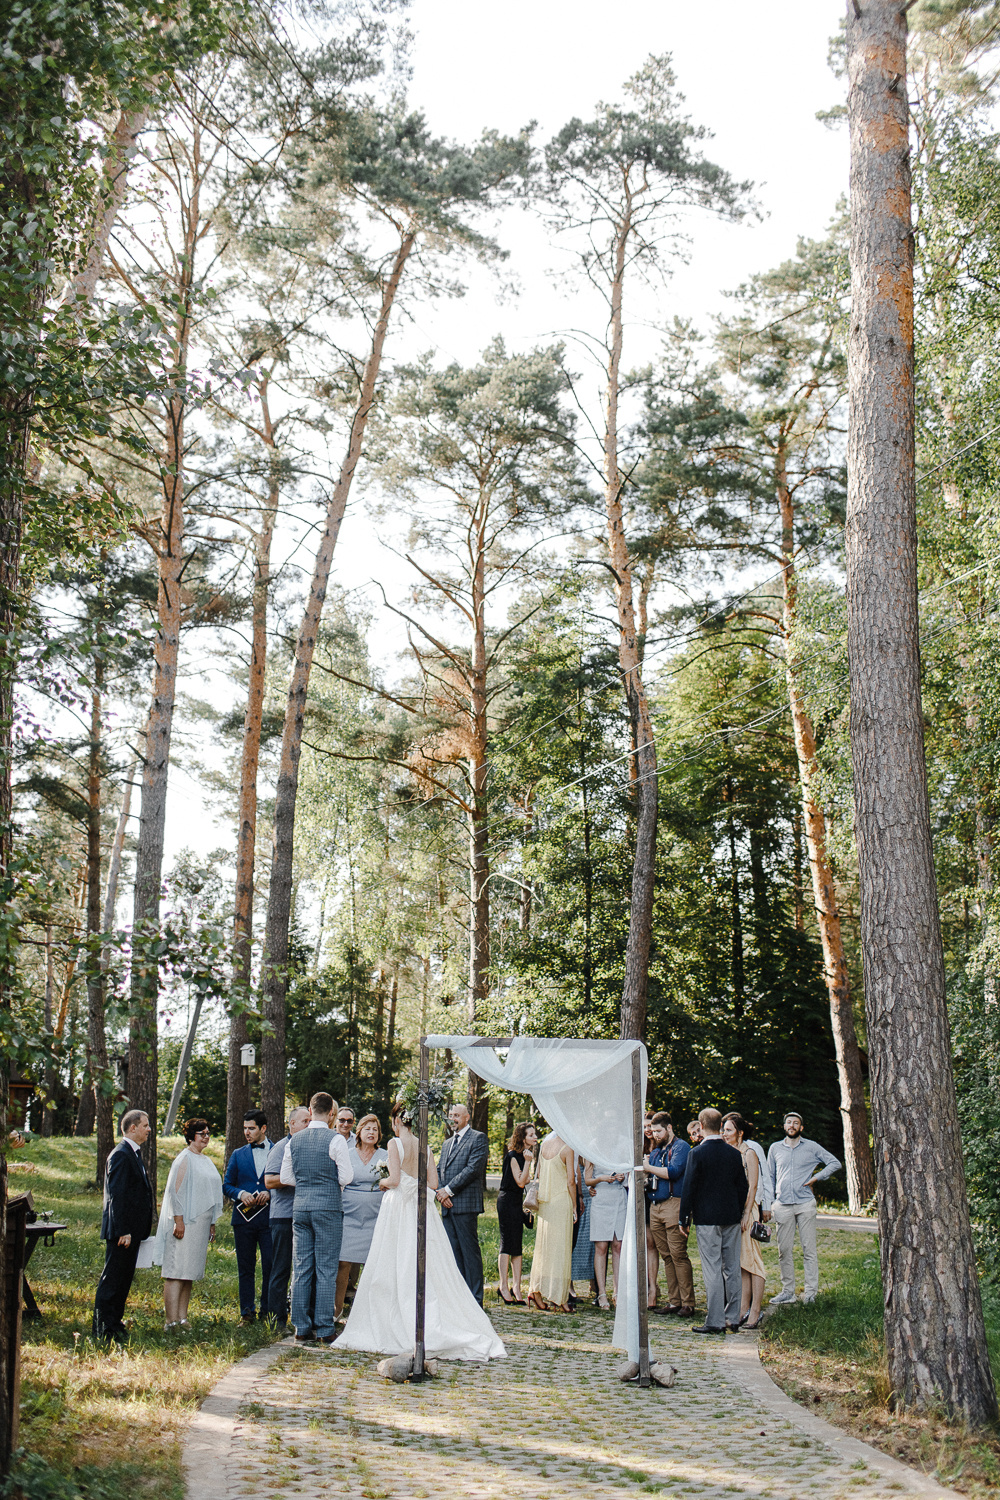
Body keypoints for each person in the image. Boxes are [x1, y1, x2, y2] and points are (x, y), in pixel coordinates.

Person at [335, 1101, 506, 1361]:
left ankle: (395, 1321)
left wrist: (382, 1181)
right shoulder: (424, 1144)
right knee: (428, 1263)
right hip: (421, 1207)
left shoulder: (394, 1144)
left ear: (395, 1122)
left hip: (398, 1208)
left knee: (395, 1261)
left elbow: (393, 1180)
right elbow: (434, 1183)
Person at [279, 1092, 354, 1346]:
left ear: (310, 1112)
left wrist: (307, 1182)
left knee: (301, 1267)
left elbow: (287, 1178)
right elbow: (346, 1177)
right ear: (332, 1113)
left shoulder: (294, 1141)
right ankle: (324, 1327)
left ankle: (301, 1327)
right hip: (328, 1209)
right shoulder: (335, 1140)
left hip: (301, 1208)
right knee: (326, 1268)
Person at [679, 1107, 749, 1335]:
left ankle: (715, 1320)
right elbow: (743, 1187)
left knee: (712, 1268)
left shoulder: (696, 1154)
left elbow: (688, 1187)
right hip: (731, 1216)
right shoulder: (734, 1153)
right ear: (720, 1126)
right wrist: (738, 1211)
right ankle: (733, 1318)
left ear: (700, 1126)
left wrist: (684, 1218)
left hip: (707, 1218)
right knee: (732, 1268)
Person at [152, 1118, 224, 1330]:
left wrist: (211, 1223)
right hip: (185, 1223)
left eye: (208, 1133)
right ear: (191, 1136)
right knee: (176, 1271)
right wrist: (179, 1221)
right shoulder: (184, 1158)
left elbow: (210, 1194)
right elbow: (176, 1192)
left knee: (189, 1272)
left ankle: (183, 1317)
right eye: (202, 1133)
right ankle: (170, 1320)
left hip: (200, 1224)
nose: (206, 1137)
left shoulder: (205, 1160)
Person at [92, 1109, 155, 1344]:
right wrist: (124, 1230)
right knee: (112, 1280)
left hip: (132, 1232)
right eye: (145, 1125)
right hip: (122, 1232)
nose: (149, 1129)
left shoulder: (133, 1153)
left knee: (124, 1280)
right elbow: (117, 1197)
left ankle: (114, 1324)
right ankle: (101, 1328)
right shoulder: (120, 1154)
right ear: (132, 1128)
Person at [767, 1111, 842, 1305]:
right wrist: (769, 1203)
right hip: (782, 1205)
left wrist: (817, 1177)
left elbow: (835, 1163)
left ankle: (810, 1294)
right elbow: (769, 1177)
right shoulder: (775, 1148)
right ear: (784, 1127)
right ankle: (787, 1292)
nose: (792, 1125)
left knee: (809, 1249)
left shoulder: (811, 1147)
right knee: (784, 1250)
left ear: (801, 1127)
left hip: (805, 1204)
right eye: (788, 1122)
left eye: (796, 1123)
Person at [335, 1113, 389, 1319]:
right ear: (359, 1132)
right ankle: (337, 1310)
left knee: (373, 1264)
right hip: (349, 1215)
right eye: (367, 1128)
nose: (371, 1133)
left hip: (376, 1217)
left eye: (375, 1129)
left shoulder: (384, 1154)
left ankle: (369, 1313)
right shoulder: (348, 1154)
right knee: (343, 1263)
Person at [222, 1110, 273, 1324]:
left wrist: (271, 1192)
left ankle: (268, 1311)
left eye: (251, 1128)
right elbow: (226, 1185)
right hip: (243, 1220)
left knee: (271, 1266)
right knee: (246, 1267)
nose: (247, 1132)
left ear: (263, 1128)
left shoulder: (277, 1151)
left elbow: (286, 1180)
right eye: (244, 1128)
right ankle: (246, 1313)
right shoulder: (238, 1154)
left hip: (271, 1219)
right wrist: (240, 1194)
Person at [435, 1103, 488, 1306]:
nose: (453, 1118)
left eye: (456, 1115)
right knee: (454, 1254)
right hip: (447, 1207)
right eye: (450, 1115)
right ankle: (460, 1301)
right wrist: (441, 1193)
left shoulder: (478, 1138)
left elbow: (473, 1169)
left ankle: (475, 1300)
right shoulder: (447, 1143)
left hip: (465, 1205)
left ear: (467, 1117)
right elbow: (440, 1169)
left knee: (469, 1253)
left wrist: (448, 1190)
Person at [644, 1112, 694, 1317]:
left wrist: (649, 1167)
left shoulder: (681, 1147)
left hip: (673, 1203)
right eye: (653, 1131)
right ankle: (674, 1301)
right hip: (654, 1206)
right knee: (666, 1256)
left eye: (658, 1131)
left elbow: (674, 1172)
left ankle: (688, 1302)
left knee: (678, 1254)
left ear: (669, 1128)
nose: (654, 1135)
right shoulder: (656, 1151)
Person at [264, 1105, 310, 1330]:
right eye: (304, 1121)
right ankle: (276, 1320)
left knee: (304, 1269)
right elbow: (269, 1181)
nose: (309, 1125)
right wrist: (296, 1178)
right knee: (281, 1268)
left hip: (306, 1215)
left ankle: (303, 1318)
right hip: (283, 1217)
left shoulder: (310, 1147)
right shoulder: (281, 1148)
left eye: (311, 1121)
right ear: (292, 1124)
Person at [721, 1112, 766, 1329]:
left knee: (754, 1262)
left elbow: (753, 1186)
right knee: (742, 1264)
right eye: (723, 1130)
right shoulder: (730, 1152)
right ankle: (743, 1309)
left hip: (749, 1212)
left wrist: (748, 1213)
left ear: (739, 1133)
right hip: (736, 1212)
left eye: (728, 1130)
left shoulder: (749, 1153)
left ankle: (756, 1311)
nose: (724, 1134)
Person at [528, 1132, 576, 1313]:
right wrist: (574, 1207)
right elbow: (571, 1181)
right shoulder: (568, 1149)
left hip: (545, 1202)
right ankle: (559, 1297)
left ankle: (536, 1291)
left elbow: (538, 1173)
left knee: (543, 1248)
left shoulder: (544, 1145)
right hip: (561, 1200)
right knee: (561, 1249)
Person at [496, 1121, 536, 1304]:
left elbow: (525, 1180)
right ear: (523, 1138)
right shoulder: (513, 1156)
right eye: (531, 1135)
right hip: (507, 1201)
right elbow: (521, 1181)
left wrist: (528, 1163)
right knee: (507, 1243)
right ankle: (503, 1286)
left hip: (517, 1201)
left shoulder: (525, 1156)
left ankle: (517, 1287)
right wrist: (528, 1163)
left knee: (517, 1245)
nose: (535, 1137)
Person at [585, 1157, 627, 1310]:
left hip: (618, 1196)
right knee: (601, 1247)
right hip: (601, 1197)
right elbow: (587, 1180)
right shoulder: (592, 1147)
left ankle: (617, 1291)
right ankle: (601, 1292)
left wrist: (622, 1176)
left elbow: (628, 1172)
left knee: (618, 1245)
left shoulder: (620, 1146)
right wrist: (602, 1178)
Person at [570, 1152, 595, 1297]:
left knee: (594, 1245)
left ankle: (595, 1283)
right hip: (579, 1201)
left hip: (593, 1200)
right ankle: (570, 1283)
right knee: (575, 1244)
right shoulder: (573, 1151)